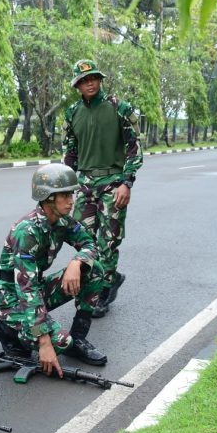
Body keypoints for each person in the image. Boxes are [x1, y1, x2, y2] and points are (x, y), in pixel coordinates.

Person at [0, 164, 108, 377]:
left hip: (35, 291)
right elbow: (27, 289)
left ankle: (79, 339)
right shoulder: (27, 231)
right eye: (64, 195)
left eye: (72, 193)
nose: (71, 200)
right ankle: (5, 329)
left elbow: (90, 244)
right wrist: (44, 341)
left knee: (94, 270)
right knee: (61, 342)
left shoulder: (63, 221)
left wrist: (77, 262)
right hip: (12, 301)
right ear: (48, 197)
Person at [63, 59, 143, 317]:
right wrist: (66, 187)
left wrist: (126, 182)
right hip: (85, 184)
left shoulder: (118, 107)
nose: (90, 83)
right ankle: (108, 275)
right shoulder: (73, 112)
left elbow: (134, 148)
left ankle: (103, 290)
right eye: (84, 80)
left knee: (108, 239)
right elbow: (70, 153)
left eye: (93, 78)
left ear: (99, 80)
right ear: (77, 85)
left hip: (113, 183)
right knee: (82, 239)